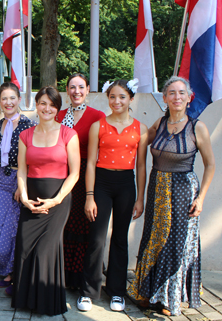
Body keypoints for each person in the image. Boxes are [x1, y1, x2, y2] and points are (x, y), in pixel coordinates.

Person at [128, 77, 215, 316]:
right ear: (164, 98)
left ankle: (168, 298)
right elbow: (141, 149)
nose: (177, 97)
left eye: (181, 93)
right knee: (153, 239)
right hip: (157, 188)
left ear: (189, 98)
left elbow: (210, 165)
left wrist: (201, 198)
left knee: (176, 244)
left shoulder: (197, 127)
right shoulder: (159, 123)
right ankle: (146, 291)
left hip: (183, 190)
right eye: (172, 93)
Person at [77, 79, 148, 313]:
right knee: (96, 238)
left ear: (131, 99)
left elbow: (141, 166)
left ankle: (117, 291)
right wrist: (89, 196)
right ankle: (88, 292)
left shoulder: (140, 129)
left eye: (122, 97)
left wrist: (140, 198)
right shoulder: (99, 125)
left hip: (126, 185)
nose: (116, 101)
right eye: (112, 97)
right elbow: (89, 164)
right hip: (102, 184)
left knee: (119, 238)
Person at [12, 86, 80, 315]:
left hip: (58, 200)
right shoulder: (25, 135)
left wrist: (57, 200)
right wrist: (23, 197)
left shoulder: (69, 135)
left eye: (51, 104)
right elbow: (21, 170)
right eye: (42, 103)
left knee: (45, 250)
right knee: (24, 246)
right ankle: (25, 299)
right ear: (36, 105)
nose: (46, 108)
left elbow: (75, 173)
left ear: (58, 108)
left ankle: (46, 301)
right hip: (30, 198)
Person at [55, 73, 105, 289]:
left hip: (86, 174)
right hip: (61, 174)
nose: (76, 91)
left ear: (88, 89)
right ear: (67, 90)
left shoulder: (97, 116)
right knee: (63, 222)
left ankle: (83, 278)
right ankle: (62, 276)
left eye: (81, 87)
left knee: (84, 223)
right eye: (72, 87)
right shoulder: (58, 115)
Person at [0, 83, 36, 288]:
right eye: (4, 98)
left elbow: (32, 158)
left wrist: (21, 186)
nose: (8, 102)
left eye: (12, 98)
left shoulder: (28, 125)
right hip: (0, 180)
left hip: (20, 179)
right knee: (0, 229)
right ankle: (7, 270)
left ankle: (16, 273)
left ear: (19, 100)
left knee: (14, 229)